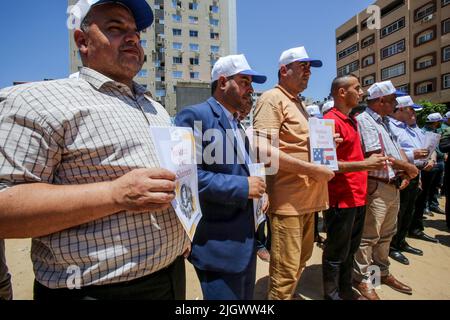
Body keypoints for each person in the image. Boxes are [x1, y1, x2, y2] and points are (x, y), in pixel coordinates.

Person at [0, 0, 190, 300]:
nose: (132, 38)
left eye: (136, 32)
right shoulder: (37, 101)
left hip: (171, 275)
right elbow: (5, 209)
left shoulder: (154, 108)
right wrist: (115, 194)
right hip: (95, 290)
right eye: (115, 28)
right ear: (82, 41)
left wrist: (181, 228)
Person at [175, 54, 267, 300]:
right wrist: (242, 186)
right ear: (223, 82)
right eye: (245, 82)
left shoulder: (237, 123)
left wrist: (259, 194)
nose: (250, 89)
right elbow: (186, 178)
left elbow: (244, 169)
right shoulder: (193, 116)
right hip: (218, 245)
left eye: (251, 84)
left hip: (244, 241)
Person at [253, 46, 335, 300]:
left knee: (301, 261)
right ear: (283, 70)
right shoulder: (271, 98)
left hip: (308, 201)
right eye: (303, 67)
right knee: (285, 272)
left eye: (310, 69)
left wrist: (331, 142)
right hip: (288, 203)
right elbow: (261, 150)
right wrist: (311, 169)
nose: (308, 73)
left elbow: (297, 144)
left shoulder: (298, 103)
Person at [322, 75, 388, 300]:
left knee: (350, 250)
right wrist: (365, 164)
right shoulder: (329, 120)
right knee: (336, 251)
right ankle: (332, 295)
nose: (362, 92)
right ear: (342, 92)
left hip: (357, 197)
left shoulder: (350, 120)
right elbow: (325, 163)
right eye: (357, 88)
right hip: (341, 198)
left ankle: (344, 289)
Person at [353, 81, 419, 300]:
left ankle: (381, 272)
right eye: (392, 100)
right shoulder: (365, 120)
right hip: (376, 187)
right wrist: (407, 167)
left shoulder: (385, 122)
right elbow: (377, 156)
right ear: (380, 101)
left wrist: (403, 172)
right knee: (370, 236)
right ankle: (364, 279)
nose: (395, 104)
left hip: (391, 185)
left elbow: (395, 149)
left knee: (387, 234)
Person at [387, 96, 432, 265]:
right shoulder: (390, 126)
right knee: (398, 212)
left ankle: (401, 241)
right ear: (400, 110)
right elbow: (392, 151)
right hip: (401, 174)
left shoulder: (408, 128)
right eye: (410, 109)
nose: (413, 112)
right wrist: (413, 155)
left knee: (408, 211)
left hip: (413, 173)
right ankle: (392, 246)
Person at [409, 114, 445, 244]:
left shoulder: (418, 130)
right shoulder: (399, 129)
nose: (413, 115)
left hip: (425, 168)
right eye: (411, 110)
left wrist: (432, 158)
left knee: (421, 199)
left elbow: (431, 149)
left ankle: (415, 229)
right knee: (412, 202)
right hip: (412, 171)